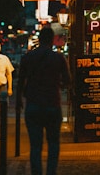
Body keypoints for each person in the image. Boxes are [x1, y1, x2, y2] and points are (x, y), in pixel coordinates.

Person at [16, 27, 71, 175]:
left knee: (35, 145)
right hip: (52, 103)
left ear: (39, 39)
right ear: (52, 40)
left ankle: (37, 172)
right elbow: (67, 81)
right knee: (53, 143)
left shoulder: (28, 57)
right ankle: (51, 172)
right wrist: (57, 83)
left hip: (33, 104)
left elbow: (20, 81)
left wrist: (18, 100)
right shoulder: (59, 58)